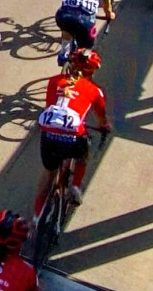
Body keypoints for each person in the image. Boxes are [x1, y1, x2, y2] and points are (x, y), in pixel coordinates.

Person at [35, 49, 111, 213]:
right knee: (83, 152)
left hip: (49, 135)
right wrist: (104, 126)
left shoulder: (54, 81)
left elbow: (50, 107)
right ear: (91, 71)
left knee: (49, 173)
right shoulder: (94, 91)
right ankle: (75, 186)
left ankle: (36, 217)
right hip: (74, 138)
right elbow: (101, 117)